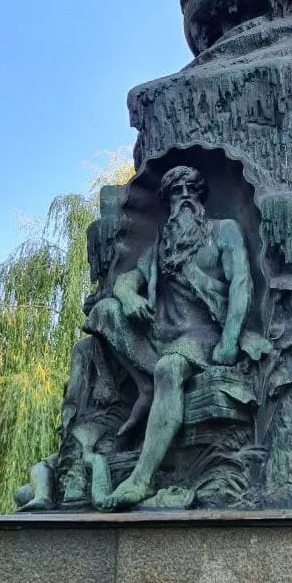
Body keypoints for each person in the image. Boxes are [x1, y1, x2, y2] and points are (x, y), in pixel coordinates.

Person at [95, 165, 253, 508]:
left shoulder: (224, 231)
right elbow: (125, 281)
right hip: (162, 333)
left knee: (168, 368)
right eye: (176, 192)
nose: (184, 197)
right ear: (167, 202)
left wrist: (229, 341)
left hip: (204, 334)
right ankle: (144, 385)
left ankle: (142, 480)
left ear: (200, 198)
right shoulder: (163, 246)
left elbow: (241, 284)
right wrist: (128, 296)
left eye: (190, 191)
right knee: (104, 311)